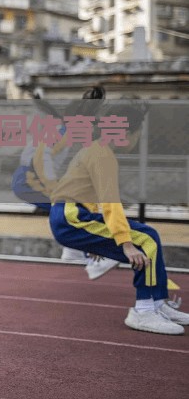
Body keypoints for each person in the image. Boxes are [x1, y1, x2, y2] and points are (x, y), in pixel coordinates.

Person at [49, 105, 189, 335]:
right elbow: (110, 203)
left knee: (149, 235)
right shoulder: (103, 155)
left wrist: (98, 236)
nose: (137, 140)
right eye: (137, 134)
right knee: (146, 239)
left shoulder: (95, 150)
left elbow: (85, 193)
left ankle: (157, 303)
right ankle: (144, 310)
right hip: (71, 218)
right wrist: (125, 242)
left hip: (72, 216)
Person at [11, 86, 119, 280]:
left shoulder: (63, 129)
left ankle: (73, 251)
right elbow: (41, 156)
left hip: (26, 180)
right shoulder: (64, 132)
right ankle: (91, 257)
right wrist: (54, 185)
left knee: (68, 209)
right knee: (76, 209)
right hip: (29, 180)